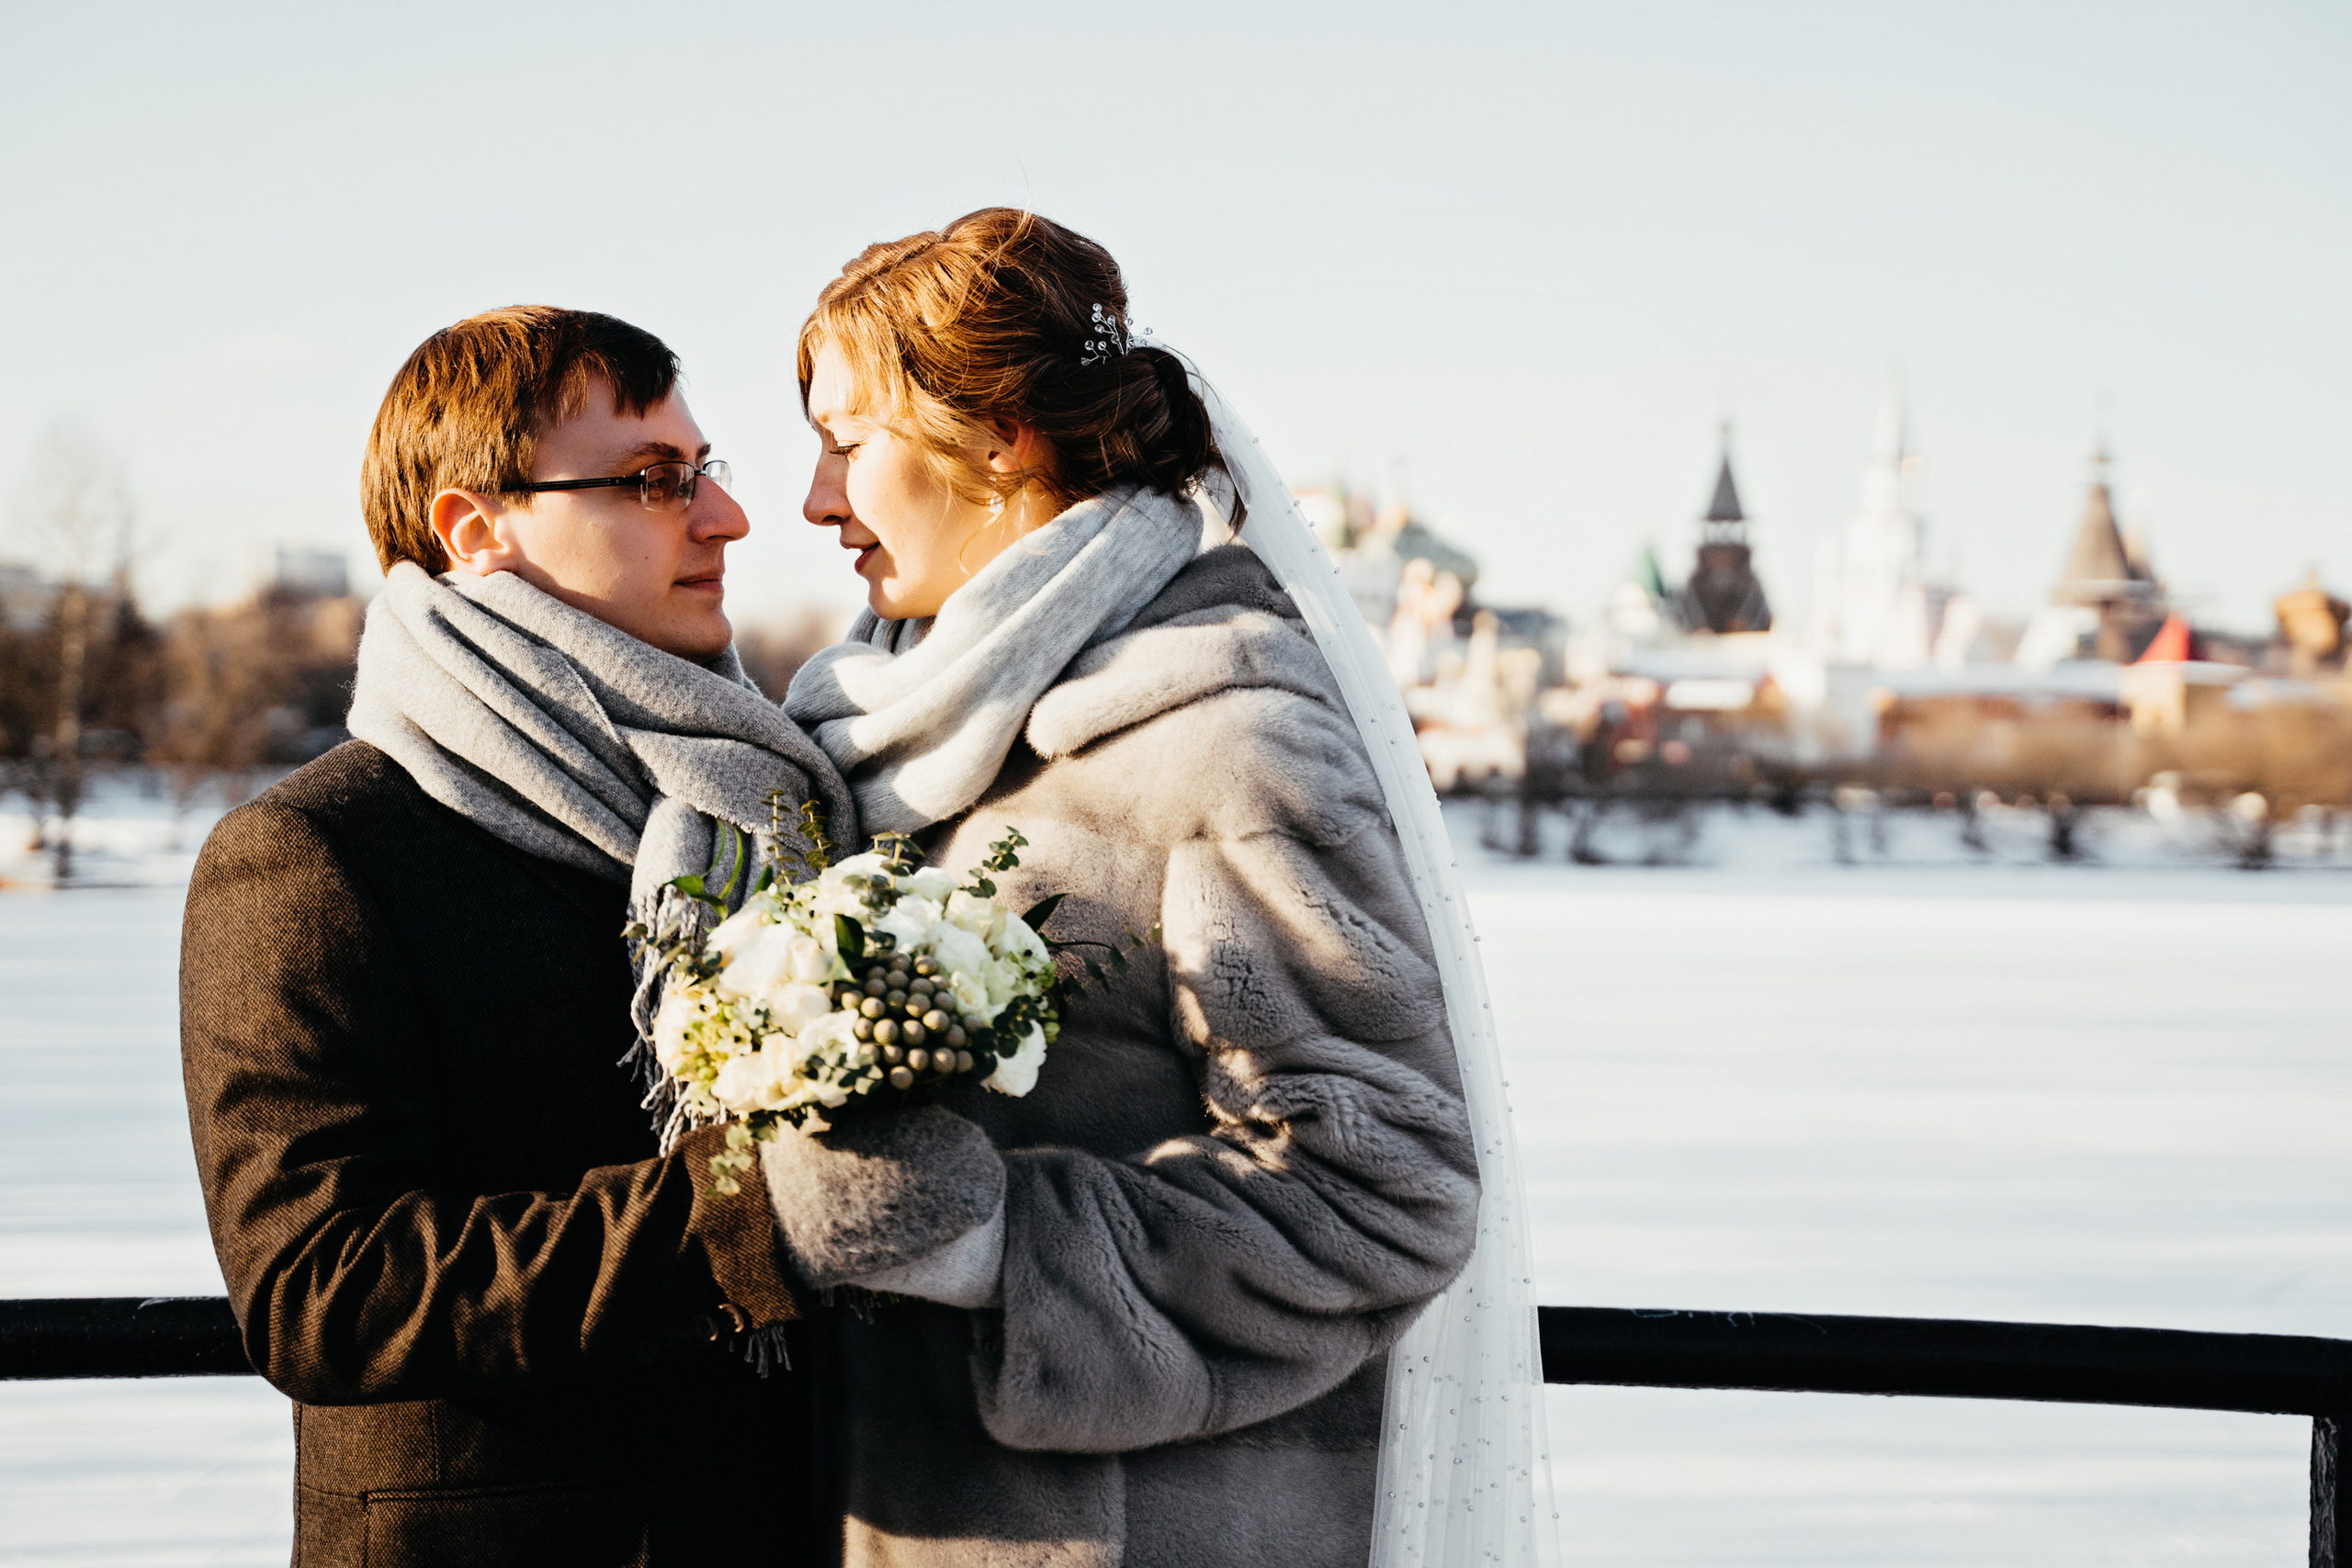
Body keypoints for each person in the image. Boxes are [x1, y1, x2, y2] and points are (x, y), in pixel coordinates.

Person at [758, 209, 1516, 1568]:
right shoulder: (865, 730)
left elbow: (1385, 1185)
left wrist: (997, 1248)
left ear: (1001, 440)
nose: (812, 501)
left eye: (846, 444)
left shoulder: (1218, 735)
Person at [179, 306, 854, 1566]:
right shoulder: (314, 857)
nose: (724, 518)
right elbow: (322, 1292)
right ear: (476, 531)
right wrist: (754, 1211)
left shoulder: (759, 817)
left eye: (705, 472)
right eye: (654, 481)